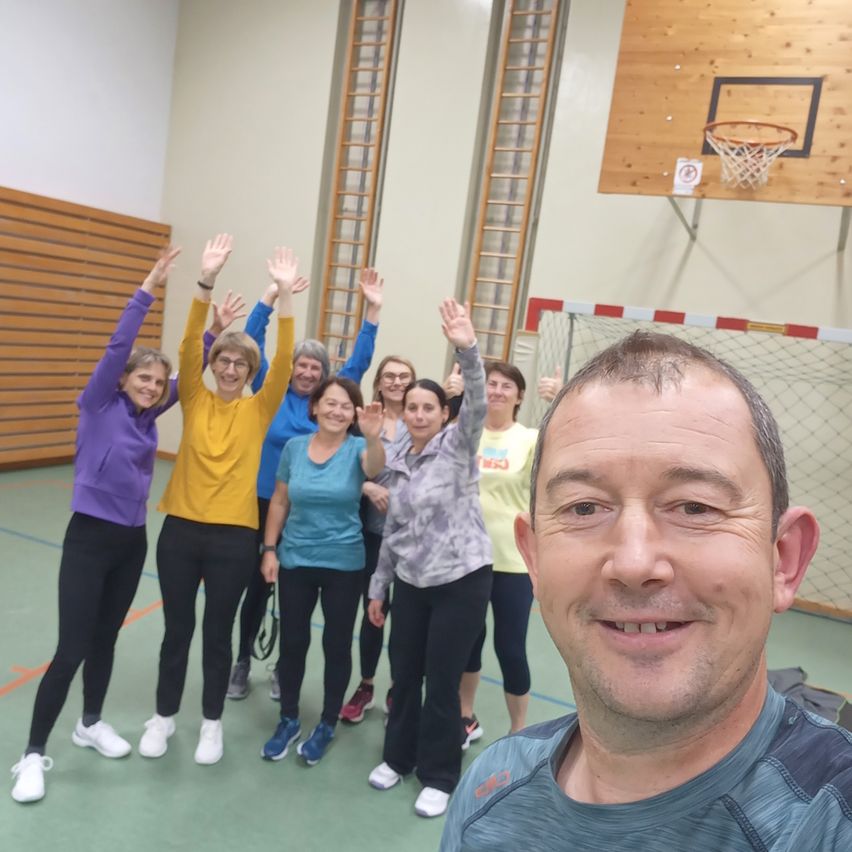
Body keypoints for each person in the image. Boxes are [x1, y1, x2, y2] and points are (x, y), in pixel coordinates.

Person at [441, 332, 852, 850]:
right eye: (584, 508)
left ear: (784, 560)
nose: (634, 563)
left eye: (695, 507)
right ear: (535, 557)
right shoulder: (487, 793)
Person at [9, 248, 243, 803]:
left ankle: (89, 722)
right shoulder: (98, 404)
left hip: (130, 542)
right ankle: (31, 754)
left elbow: (188, 377)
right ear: (125, 378)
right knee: (71, 648)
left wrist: (213, 337)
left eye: (157, 382)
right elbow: (117, 348)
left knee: (106, 639)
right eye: (143, 377)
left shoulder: (146, 415)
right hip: (89, 538)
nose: (151, 386)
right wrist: (147, 289)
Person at [138, 236, 307, 766]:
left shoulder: (258, 410)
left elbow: (284, 362)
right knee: (176, 631)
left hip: (235, 537)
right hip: (181, 532)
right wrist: (204, 281)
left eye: (240, 363)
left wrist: (283, 299)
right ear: (214, 366)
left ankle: (211, 723)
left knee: (216, 634)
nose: (230, 368)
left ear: (249, 371)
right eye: (224, 361)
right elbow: (189, 346)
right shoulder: (193, 395)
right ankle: (164, 717)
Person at [227, 269, 385, 701]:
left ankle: (284, 669)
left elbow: (360, 363)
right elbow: (252, 345)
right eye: (302, 365)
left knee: (297, 603)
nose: (308, 372)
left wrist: (372, 311)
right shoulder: (270, 389)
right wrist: (268, 297)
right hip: (268, 502)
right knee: (258, 586)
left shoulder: (332, 403)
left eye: (316, 368)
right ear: (290, 368)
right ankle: (242, 660)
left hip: (319, 509)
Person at [366, 299, 492, 819]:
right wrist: (379, 588)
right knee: (404, 673)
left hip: (461, 579)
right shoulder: (395, 461)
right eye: (411, 407)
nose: (418, 414)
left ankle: (439, 775)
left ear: (443, 414)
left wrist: (467, 347)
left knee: (442, 680)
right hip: (413, 581)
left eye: (428, 408)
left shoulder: (458, 447)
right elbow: (393, 529)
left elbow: (479, 402)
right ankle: (397, 758)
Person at [258, 378, 385, 765]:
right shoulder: (294, 448)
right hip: (296, 559)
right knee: (293, 643)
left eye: (345, 406)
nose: (336, 411)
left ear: (354, 414)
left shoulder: (360, 448)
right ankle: (289, 718)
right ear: (314, 407)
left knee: (336, 644)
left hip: (344, 564)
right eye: (330, 403)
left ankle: (328, 722)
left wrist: (374, 437)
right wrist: (269, 548)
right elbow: (279, 500)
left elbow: (375, 469)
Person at [459, 361, 538, 742]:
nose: (497, 391)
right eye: (491, 383)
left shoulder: (530, 438)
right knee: (468, 640)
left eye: (507, 385)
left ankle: (518, 731)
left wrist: (558, 401)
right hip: (468, 558)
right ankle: (466, 717)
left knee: (510, 647)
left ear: (519, 396)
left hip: (512, 561)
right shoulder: (467, 432)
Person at [339, 355, 417, 724]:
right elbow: (344, 469)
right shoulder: (361, 423)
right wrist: (366, 484)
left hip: (412, 541)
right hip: (371, 535)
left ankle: (397, 690)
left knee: (407, 622)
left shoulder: (422, 422)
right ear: (379, 382)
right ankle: (366, 683)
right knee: (372, 614)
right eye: (390, 376)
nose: (397, 382)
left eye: (404, 376)